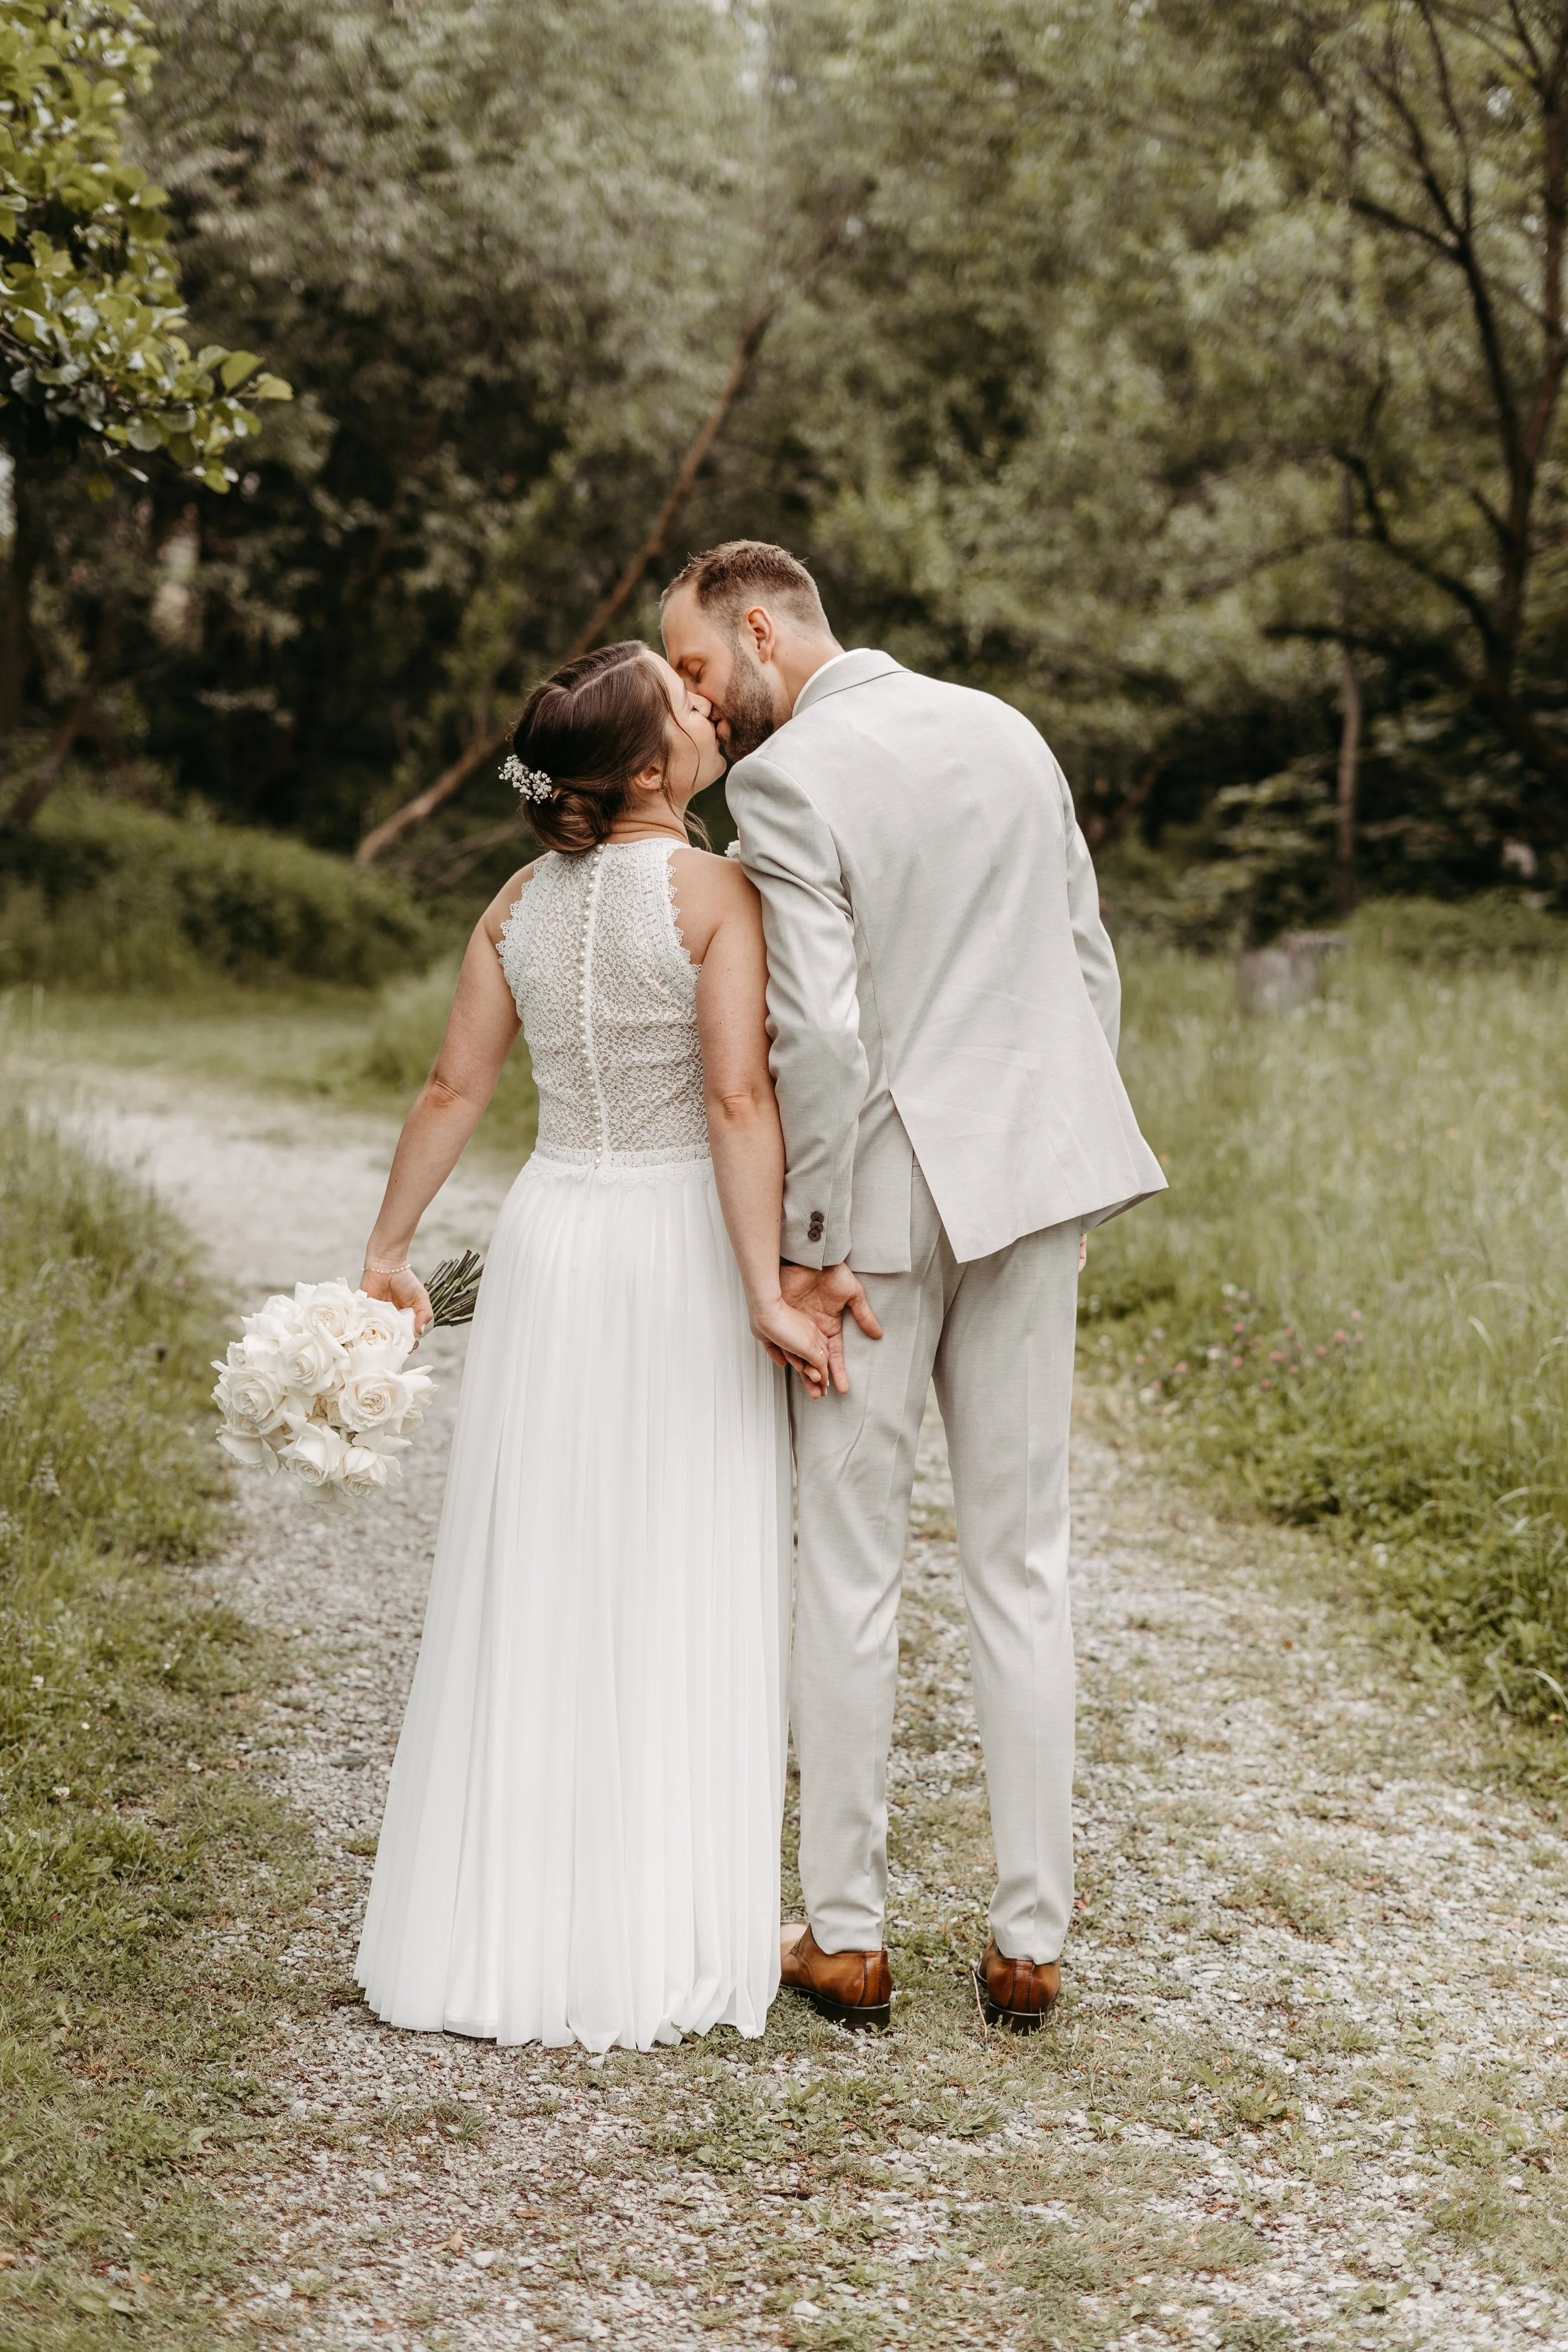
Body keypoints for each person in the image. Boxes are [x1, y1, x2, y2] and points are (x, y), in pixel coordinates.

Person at [662, 542, 1166, 2032]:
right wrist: (1064, 1175)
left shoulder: (784, 781)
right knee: (1022, 1560)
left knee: (850, 1564)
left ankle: (847, 1935)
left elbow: (817, 1032)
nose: (699, 704)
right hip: (1026, 1190)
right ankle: (1028, 1944)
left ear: (760, 629)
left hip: (872, 1221)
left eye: (695, 667)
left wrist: (809, 1239)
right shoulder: (1006, 732)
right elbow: (1085, 970)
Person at [352, 642, 830, 2053]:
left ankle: (512, 1924)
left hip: (555, 1238)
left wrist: (388, 1248)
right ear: (645, 767)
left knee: (544, 1562)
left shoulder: (516, 900)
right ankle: (657, 1925)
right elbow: (737, 1103)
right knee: (674, 1554)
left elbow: (454, 1085)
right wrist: (765, 1288)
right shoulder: (716, 892)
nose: (707, 706)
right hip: (676, 1244)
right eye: (684, 704)